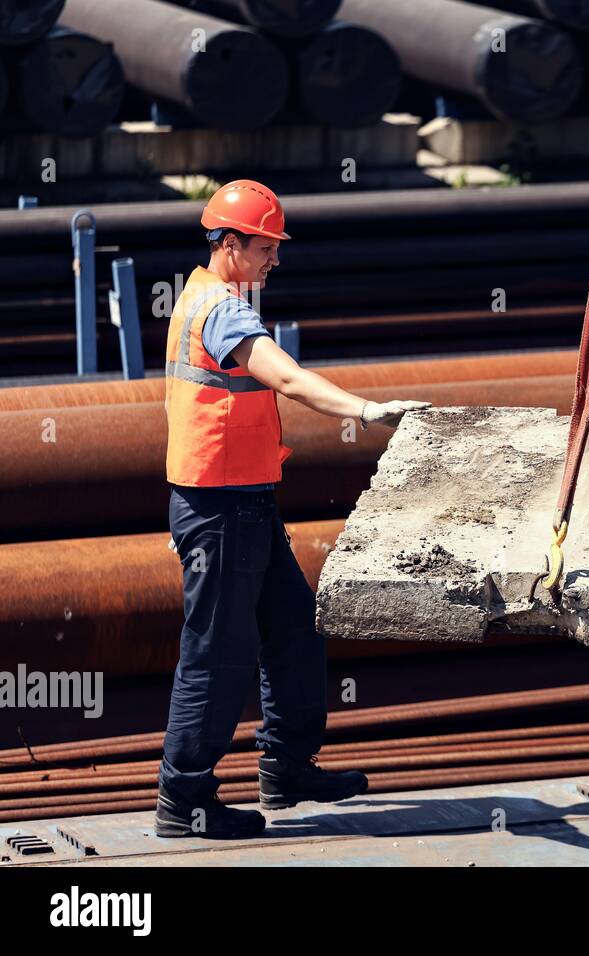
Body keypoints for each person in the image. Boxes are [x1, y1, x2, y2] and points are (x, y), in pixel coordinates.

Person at [155, 180, 429, 839]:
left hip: (244, 504)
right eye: (264, 246)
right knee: (217, 654)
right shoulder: (221, 310)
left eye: (277, 246)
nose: (274, 258)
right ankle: (184, 800)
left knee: (293, 632)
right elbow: (282, 374)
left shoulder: (209, 297)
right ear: (228, 245)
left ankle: (287, 767)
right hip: (219, 512)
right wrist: (363, 410)